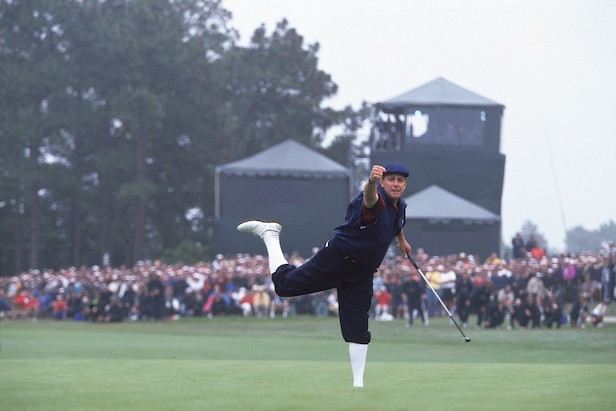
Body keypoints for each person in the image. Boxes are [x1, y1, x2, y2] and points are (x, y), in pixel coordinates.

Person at [237, 163, 411, 388]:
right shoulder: (374, 198)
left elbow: (396, 221)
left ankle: (358, 385)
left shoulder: (401, 207)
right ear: (383, 182)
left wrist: (401, 240)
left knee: (358, 327)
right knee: (284, 286)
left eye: (400, 181)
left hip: (362, 272)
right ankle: (270, 235)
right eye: (391, 180)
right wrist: (370, 183)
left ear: (405, 184)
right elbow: (371, 202)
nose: (395, 184)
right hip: (338, 259)